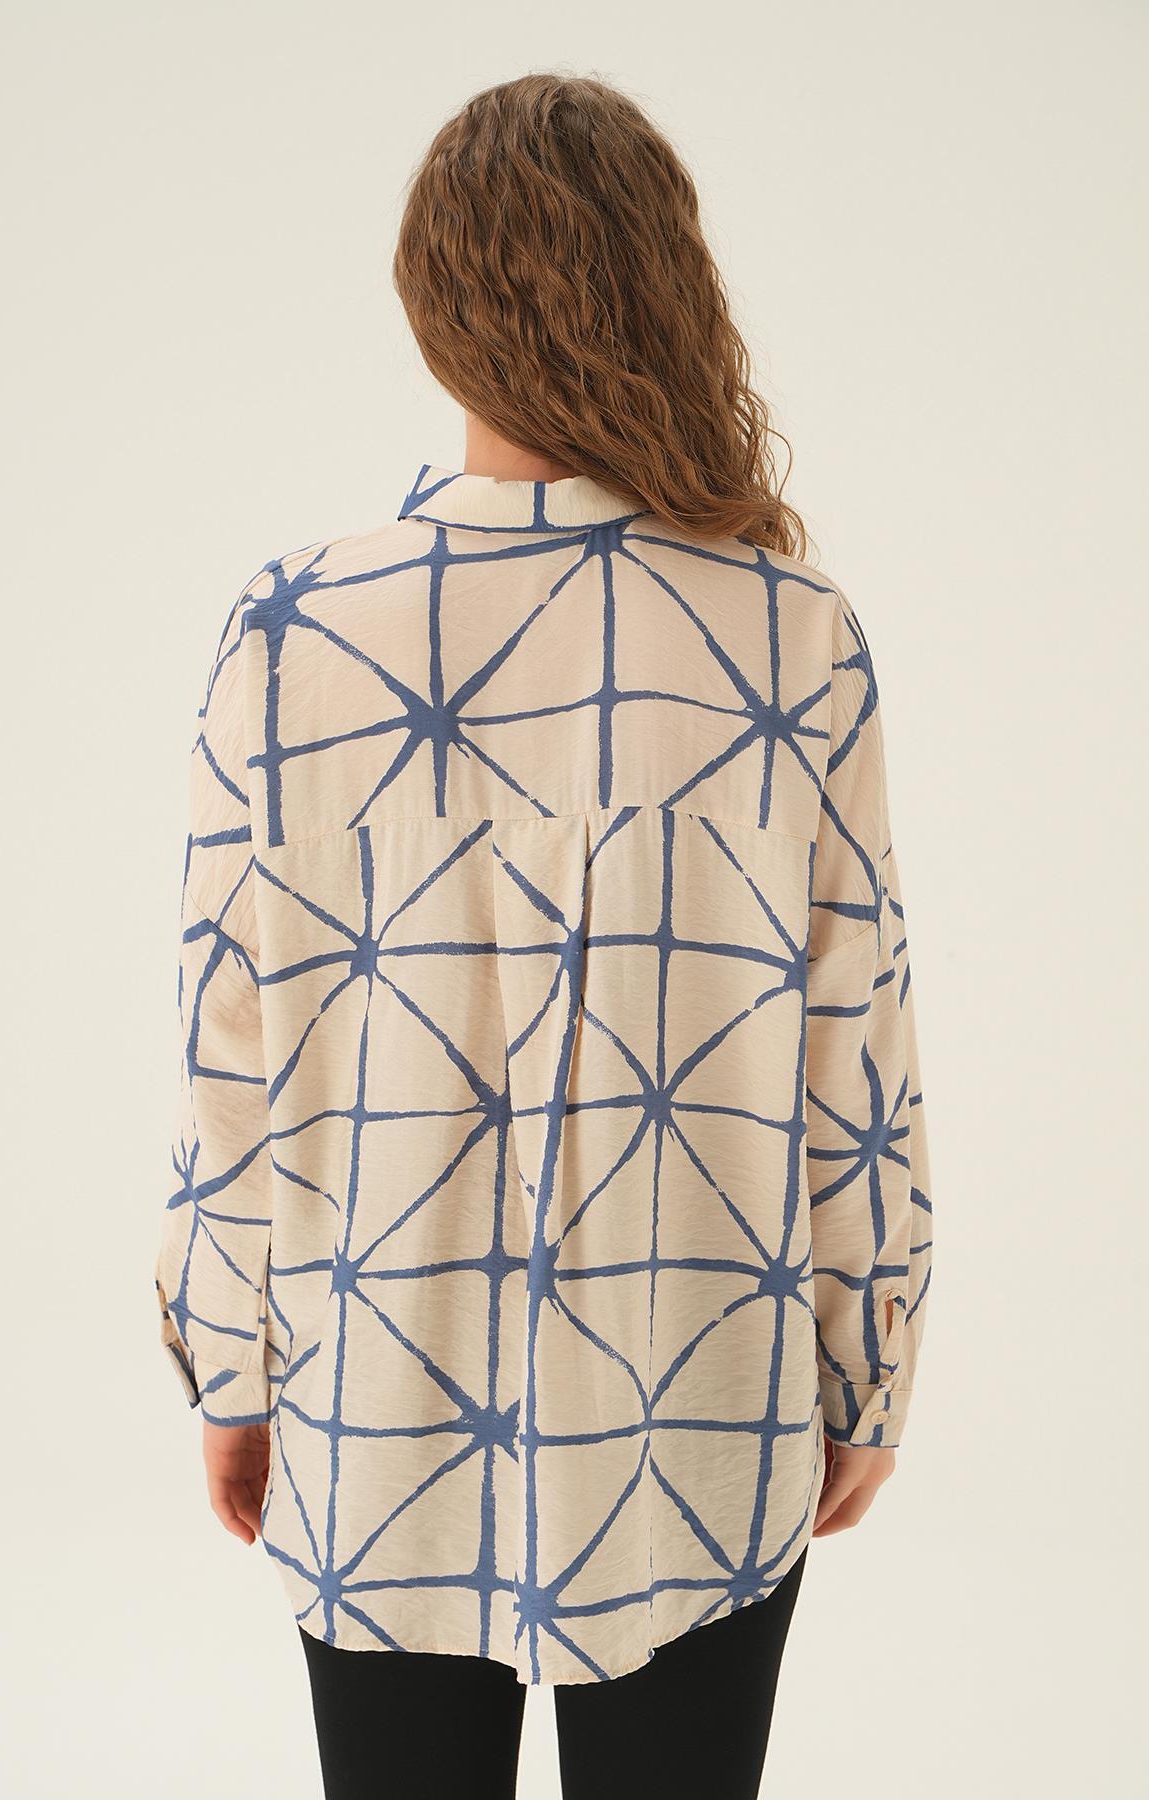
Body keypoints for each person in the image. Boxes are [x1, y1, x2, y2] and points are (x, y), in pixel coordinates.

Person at [154, 70, 934, 1800]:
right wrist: (865, 1363)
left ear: (432, 307)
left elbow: (232, 1045)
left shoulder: (297, 631)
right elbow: (855, 1040)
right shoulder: (790, 633)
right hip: (704, 1381)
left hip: (373, 1381)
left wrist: (232, 1364)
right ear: (669, 287)